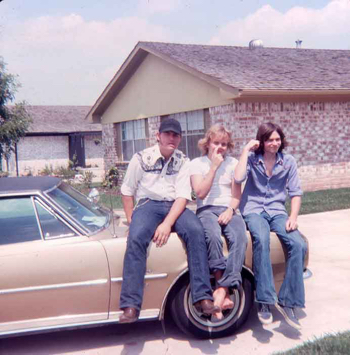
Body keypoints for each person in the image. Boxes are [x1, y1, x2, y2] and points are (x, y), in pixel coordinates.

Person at [119, 118, 219, 323]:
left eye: (176, 135)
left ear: (180, 138)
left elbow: (183, 196)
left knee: (195, 230)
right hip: (148, 205)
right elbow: (127, 191)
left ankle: (202, 297)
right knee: (136, 237)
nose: (171, 138)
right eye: (168, 134)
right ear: (158, 136)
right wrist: (132, 221)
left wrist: (166, 224)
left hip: (175, 204)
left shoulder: (183, 161)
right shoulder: (141, 158)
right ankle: (131, 306)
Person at [234, 122, 307, 330]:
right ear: (262, 141)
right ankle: (265, 301)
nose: (275, 143)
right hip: (253, 210)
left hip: (277, 211)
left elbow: (296, 192)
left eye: (277, 139)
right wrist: (246, 150)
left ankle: (289, 301)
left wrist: (293, 216)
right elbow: (238, 178)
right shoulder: (252, 159)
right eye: (270, 140)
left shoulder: (288, 162)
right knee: (261, 239)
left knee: (298, 244)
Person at [190, 124, 247, 322]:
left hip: (229, 209)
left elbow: (236, 195)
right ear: (207, 144)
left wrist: (230, 210)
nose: (220, 147)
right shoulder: (197, 163)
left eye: (224, 144)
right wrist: (214, 166)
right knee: (213, 236)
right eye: (216, 143)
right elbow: (200, 193)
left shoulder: (233, 163)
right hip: (206, 209)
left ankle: (221, 291)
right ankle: (225, 293)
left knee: (240, 237)